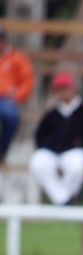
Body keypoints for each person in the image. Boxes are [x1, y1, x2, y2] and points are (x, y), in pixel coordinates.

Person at [29, 72, 83, 206]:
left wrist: (79, 142)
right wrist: (49, 145)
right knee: (37, 163)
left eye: (65, 88)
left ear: (73, 88)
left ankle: (62, 200)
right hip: (52, 151)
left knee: (76, 167)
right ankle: (63, 199)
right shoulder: (52, 114)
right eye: (59, 90)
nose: (63, 92)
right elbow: (40, 136)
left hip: (74, 150)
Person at [0, 25, 35, 162]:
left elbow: (27, 80)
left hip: (6, 99)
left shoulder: (17, 58)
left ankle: (2, 151)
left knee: (11, 116)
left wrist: (17, 95)